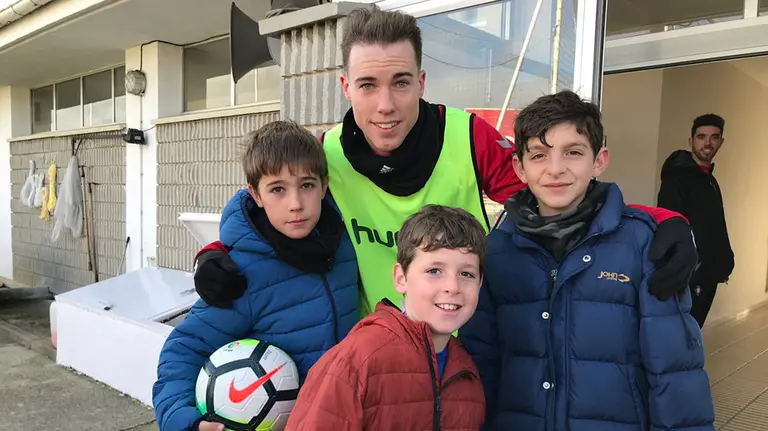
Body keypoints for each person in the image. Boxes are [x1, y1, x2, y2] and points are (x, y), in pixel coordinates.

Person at [193, 7, 698, 317]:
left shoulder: (466, 136)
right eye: (367, 85)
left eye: (401, 82)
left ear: (422, 82)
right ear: (345, 87)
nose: (385, 104)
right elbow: (261, 204)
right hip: (376, 353)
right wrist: (213, 252)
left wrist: (658, 221)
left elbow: (558, 194)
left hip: (469, 348)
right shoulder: (324, 155)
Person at [460, 91, 715, 431]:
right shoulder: (496, 253)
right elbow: (482, 366)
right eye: (539, 155)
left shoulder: (643, 247)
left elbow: (675, 372)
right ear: (519, 167)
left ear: (599, 160)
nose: (555, 169)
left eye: (574, 152)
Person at [152, 121, 360, 431]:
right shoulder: (240, 275)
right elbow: (185, 348)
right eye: (278, 189)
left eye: (307, 185)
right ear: (256, 195)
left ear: (325, 185)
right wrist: (186, 423)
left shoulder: (345, 243)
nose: (296, 204)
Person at [284, 205, 486, 431]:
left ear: (479, 284)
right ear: (401, 278)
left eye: (466, 274)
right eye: (434, 271)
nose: (452, 286)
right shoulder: (356, 361)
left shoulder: (467, 374)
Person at [658, 114, 734, 328]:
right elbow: (671, 222)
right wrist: (690, 263)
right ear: (691, 141)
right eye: (701, 137)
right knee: (682, 331)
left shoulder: (709, 179)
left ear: (721, 142)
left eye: (714, 137)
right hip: (692, 273)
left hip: (709, 272)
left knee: (691, 331)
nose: (707, 143)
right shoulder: (677, 177)